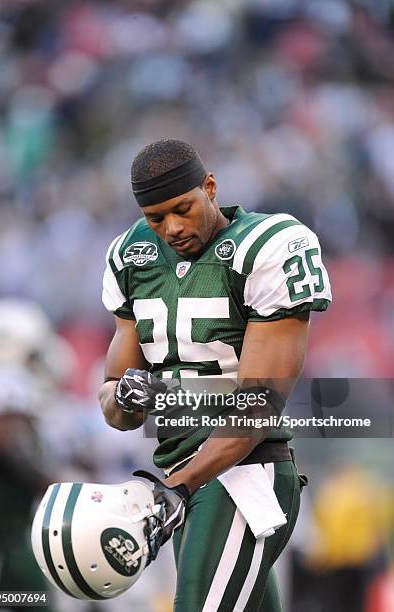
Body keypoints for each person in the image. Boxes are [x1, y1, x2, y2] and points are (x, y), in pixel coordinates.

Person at [99, 138, 332, 611]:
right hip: (180, 475)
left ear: (210, 187)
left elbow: (258, 406)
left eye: (183, 208)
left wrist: (176, 488)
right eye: (156, 217)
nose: (173, 228)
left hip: (245, 475)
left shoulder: (267, 245)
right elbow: (113, 405)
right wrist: (127, 396)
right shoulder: (130, 256)